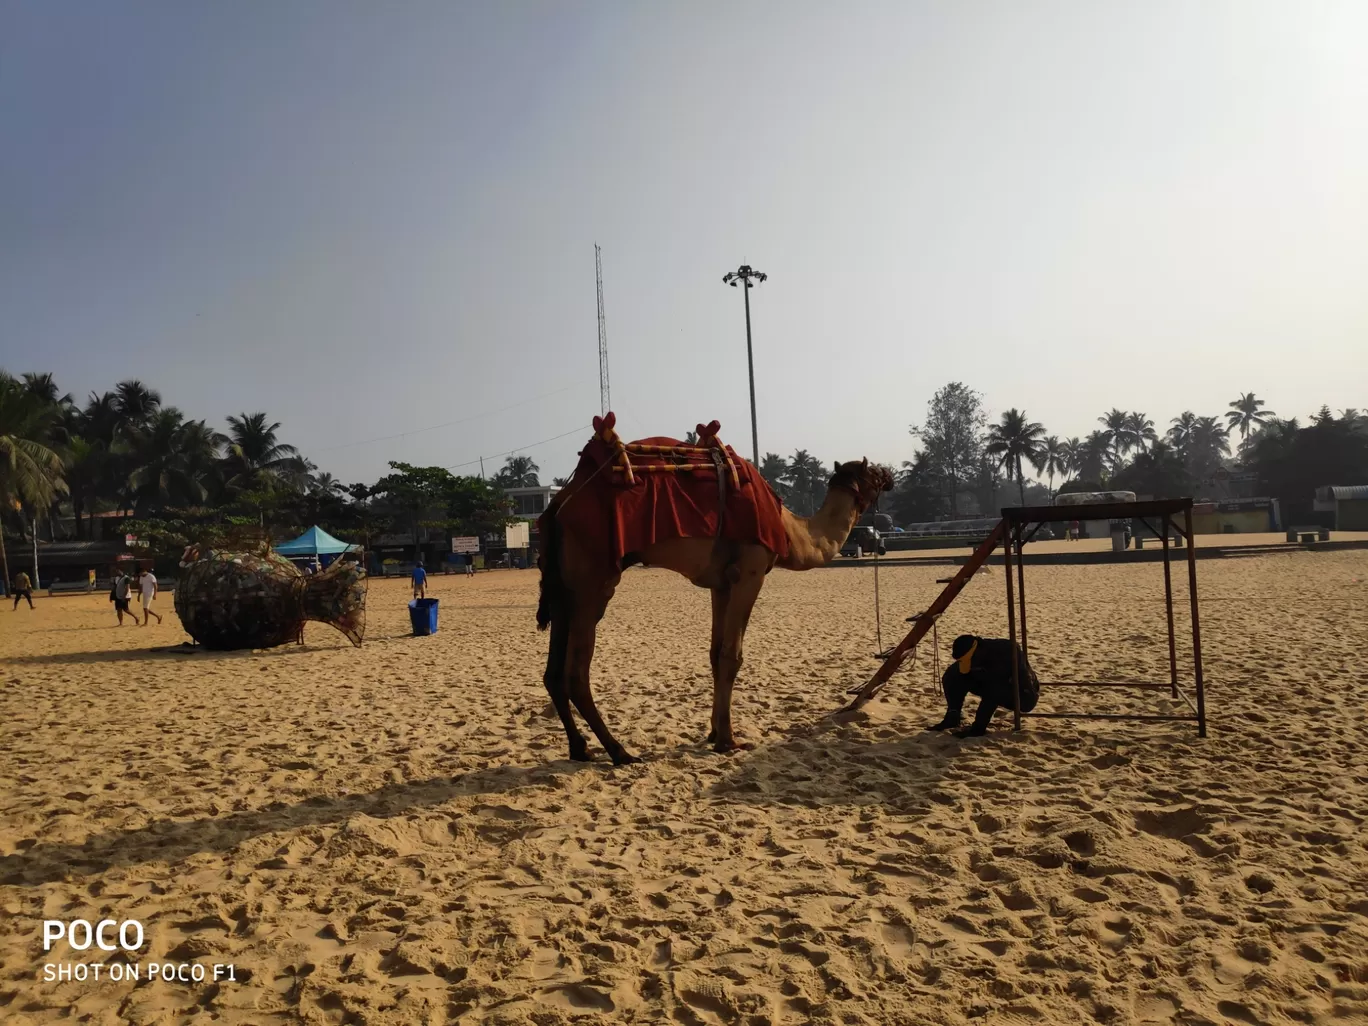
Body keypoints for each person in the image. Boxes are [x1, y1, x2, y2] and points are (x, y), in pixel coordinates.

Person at [929, 633, 1040, 738]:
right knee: (952, 675)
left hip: (1023, 695)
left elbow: (993, 692)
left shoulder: (1004, 653)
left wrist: (978, 728)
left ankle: (979, 729)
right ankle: (953, 716)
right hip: (991, 682)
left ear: (976, 652)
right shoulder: (977, 653)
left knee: (994, 689)